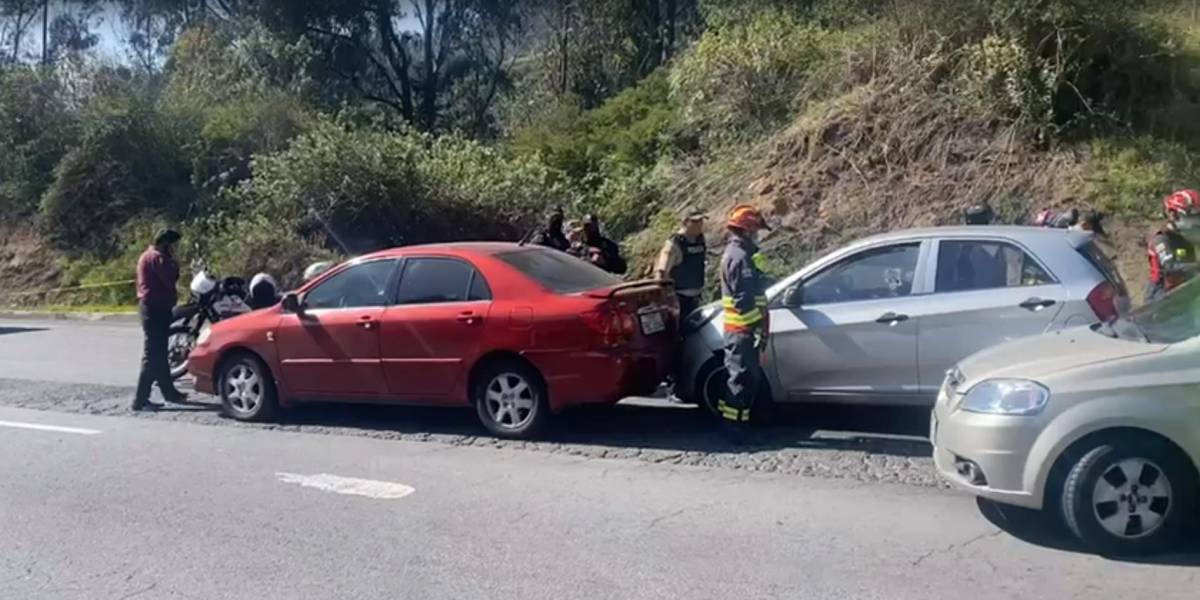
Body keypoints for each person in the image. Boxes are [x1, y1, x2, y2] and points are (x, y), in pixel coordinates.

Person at [719, 205, 771, 443]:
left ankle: (742, 423)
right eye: (756, 230)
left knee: (748, 379)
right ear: (748, 231)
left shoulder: (745, 256)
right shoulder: (738, 258)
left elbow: (753, 292)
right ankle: (734, 428)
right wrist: (755, 327)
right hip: (741, 330)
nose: (758, 235)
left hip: (745, 329)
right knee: (740, 379)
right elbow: (743, 300)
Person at [133, 228, 187, 411]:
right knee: (152, 355)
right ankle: (140, 399)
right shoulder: (157, 258)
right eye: (173, 246)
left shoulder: (149, 256)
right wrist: (174, 263)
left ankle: (169, 392)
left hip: (155, 308)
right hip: (154, 309)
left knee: (161, 354)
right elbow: (170, 278)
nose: (174, 249)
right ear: (165, 244)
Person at [1146, 189, 1200, 302]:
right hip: (1160, 299)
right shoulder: (1161, 239)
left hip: (1184, 293)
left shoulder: (1186, 237)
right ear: (1174, 215)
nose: (1197, 221)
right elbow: (1170, 267)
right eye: (1193, 217)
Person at [654, 211, 708, 317]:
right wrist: (667, 298)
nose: (700, 224)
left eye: (701, 220)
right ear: (685, 222)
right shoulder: (674, 244)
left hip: (697, 297)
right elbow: (661, 273)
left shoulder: (699, 239)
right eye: (695, 221)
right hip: (680, 300)